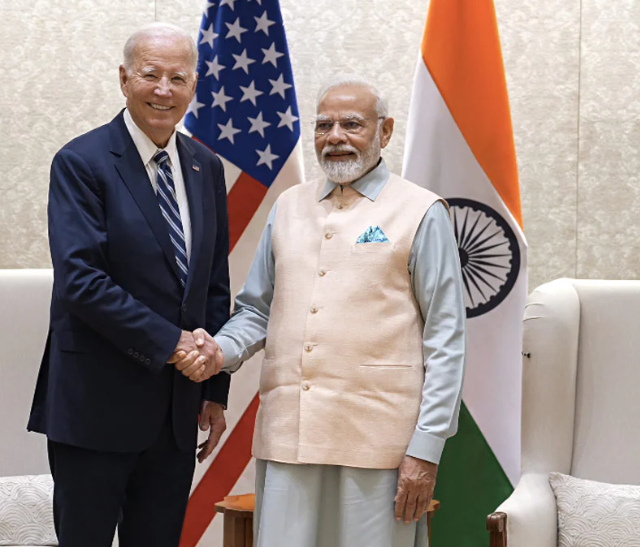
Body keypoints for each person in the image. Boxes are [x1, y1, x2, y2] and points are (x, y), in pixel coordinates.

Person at [207, 76, 467, 547]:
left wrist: (426, 449)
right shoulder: (288, 206)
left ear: (385, 131)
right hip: (289, 437)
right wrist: (216, 352)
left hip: (380, 444)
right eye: (324, 125)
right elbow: (257, 310)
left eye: (352, 124)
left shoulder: (422, 211)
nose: (336, 137)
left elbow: (446, 340)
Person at [27, 22, 229, 547]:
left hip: (177, 413)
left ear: (193, 86)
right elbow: (81, 281)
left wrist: (214, 388)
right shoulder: (81, 162)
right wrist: (174, 344)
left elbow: (212, 284)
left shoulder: (206, 167)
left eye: (178, 78)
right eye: (150, 74)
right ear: (124, 78)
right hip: (95, 407)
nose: (164, 89)